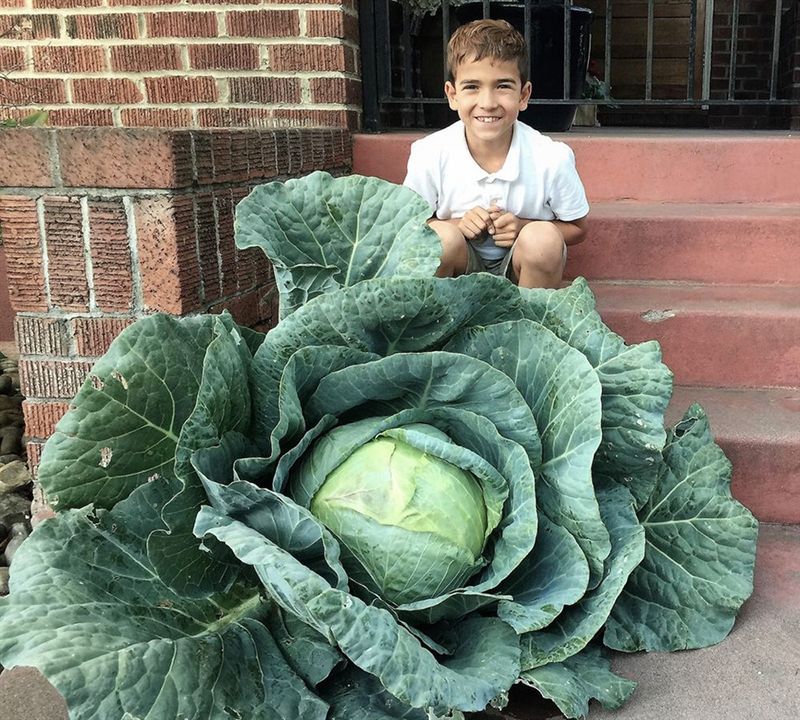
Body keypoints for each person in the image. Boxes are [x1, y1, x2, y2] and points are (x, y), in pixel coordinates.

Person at [403, 18, 589, 289]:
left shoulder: (551, 157)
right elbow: (407, 227)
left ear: (523, 95)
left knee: (543, 240)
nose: (487, 103)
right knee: (440, 239)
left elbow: (578, 228)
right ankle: (440, 326)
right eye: (471, 87)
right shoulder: (429, 153)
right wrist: (456, 225)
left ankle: (531, 324)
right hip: (461, 272)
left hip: (521, 272)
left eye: (503, 86)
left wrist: (522, 226)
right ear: (452, 94)